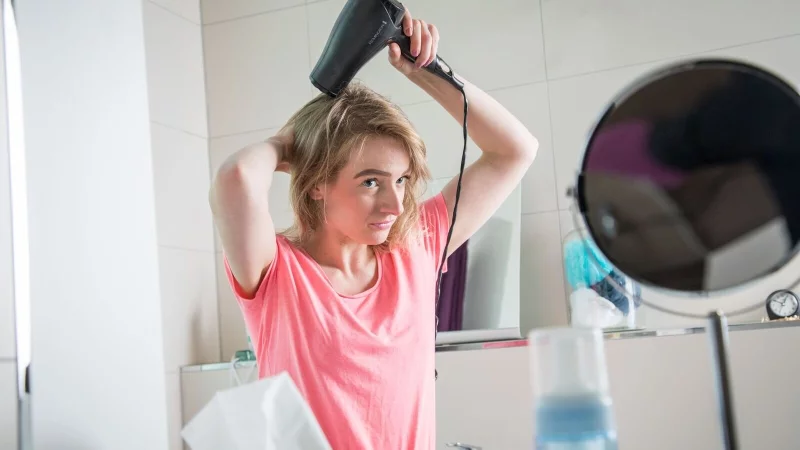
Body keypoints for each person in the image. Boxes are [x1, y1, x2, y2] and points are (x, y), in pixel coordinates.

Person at [209, 9, 538, 450]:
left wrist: (426, 69)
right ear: (318, 183)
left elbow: (514, 151)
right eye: (370, 182)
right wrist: (287, 143)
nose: (395, 203)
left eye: (400, 180)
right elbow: (235, 180)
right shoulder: (278, 274)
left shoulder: (415, 248)